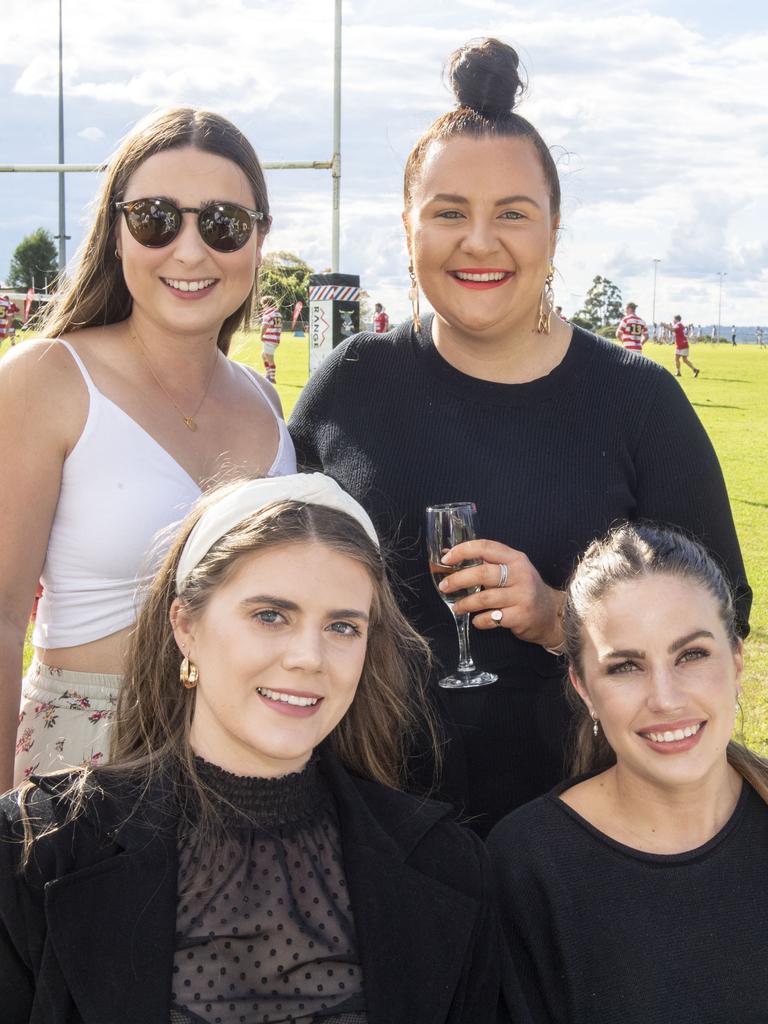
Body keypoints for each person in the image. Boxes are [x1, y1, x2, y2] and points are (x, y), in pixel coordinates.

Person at [289, 38, 751, 836]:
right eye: (448, 213)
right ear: (408, 228)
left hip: (586, 833)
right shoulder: (350, 385)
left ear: (553, 231)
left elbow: (723, 610)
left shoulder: (637, 401)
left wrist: (559, 617)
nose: (479, 240)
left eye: (511, 213)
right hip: (374, 828)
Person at [0, 473, 500, 1024]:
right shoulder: (35, 850)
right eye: (270, 616)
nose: (309, 657)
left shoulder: (448, 867)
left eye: (342, 627)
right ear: (185, 626)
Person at [0, 107, 297, 791]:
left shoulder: (265, 401)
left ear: (258, 241)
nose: (189, 252)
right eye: (157, 219)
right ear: (115, 233)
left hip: (245, 764)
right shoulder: (48, 379)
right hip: (84, 769)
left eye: (223, 225)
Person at [488, 522, 768, 1024]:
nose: (665, 698)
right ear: (584, 688)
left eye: (692, 655)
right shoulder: (528, 867)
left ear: (736, 662)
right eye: (625, 667)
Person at [260, 294, 282, 382]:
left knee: (269, 358)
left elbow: (264, 326)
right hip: (276, 339)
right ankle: (268, 374)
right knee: (263, 355)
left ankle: (272, 378)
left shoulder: (268, 313)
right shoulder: (278, 314)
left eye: (263, 305)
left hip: (269, 339)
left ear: (267, 304)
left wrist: (261, 335)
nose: (263, 308)